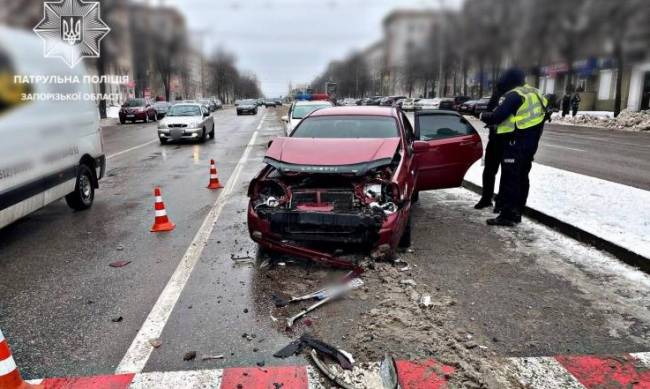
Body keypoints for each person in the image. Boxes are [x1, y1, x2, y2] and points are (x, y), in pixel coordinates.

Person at [479, 68, 547, 226]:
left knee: (510, 179)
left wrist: (482, 115)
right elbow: (543, 115)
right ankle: (517, 212)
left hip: (514, 142)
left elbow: (497, 116)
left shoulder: (514, 95)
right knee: (522, 178)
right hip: (530, 143)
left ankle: (507, 215)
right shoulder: (536, 93)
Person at [473, 84, 506, 210]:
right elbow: (489, 112)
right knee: (489, 171)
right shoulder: (497, 94)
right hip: (494, 139)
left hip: (508, 140)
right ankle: (486, 198)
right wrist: (489, 120)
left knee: (506, 174)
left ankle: (501, 202)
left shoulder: (514, 96)